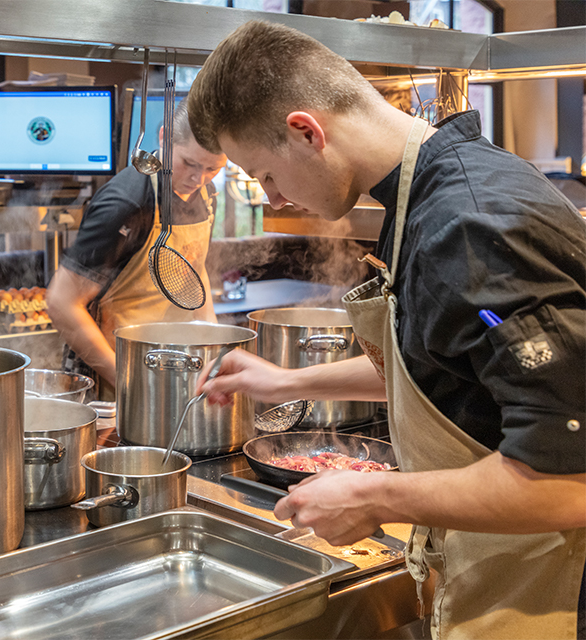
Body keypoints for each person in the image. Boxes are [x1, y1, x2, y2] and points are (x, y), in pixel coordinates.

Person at [188, 20, 585, 640]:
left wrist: (372, 497)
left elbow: (567, 482)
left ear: (305, 131)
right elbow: (444, 365)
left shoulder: (470, 228)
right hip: (501, 562)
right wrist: (292, 380)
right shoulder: (425, 192)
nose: (275, 197)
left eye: (264, 174)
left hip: (558, 588)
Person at [46, 102, 227, 397]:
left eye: (212, 168)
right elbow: (61, 302)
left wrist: (214, 352)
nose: (199, 179)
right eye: (190, 164)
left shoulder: (207, 195)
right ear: (164, 137)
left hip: (176, 367)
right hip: (116, 376)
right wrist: (129, 383)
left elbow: (194, 272)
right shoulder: (125, 204)